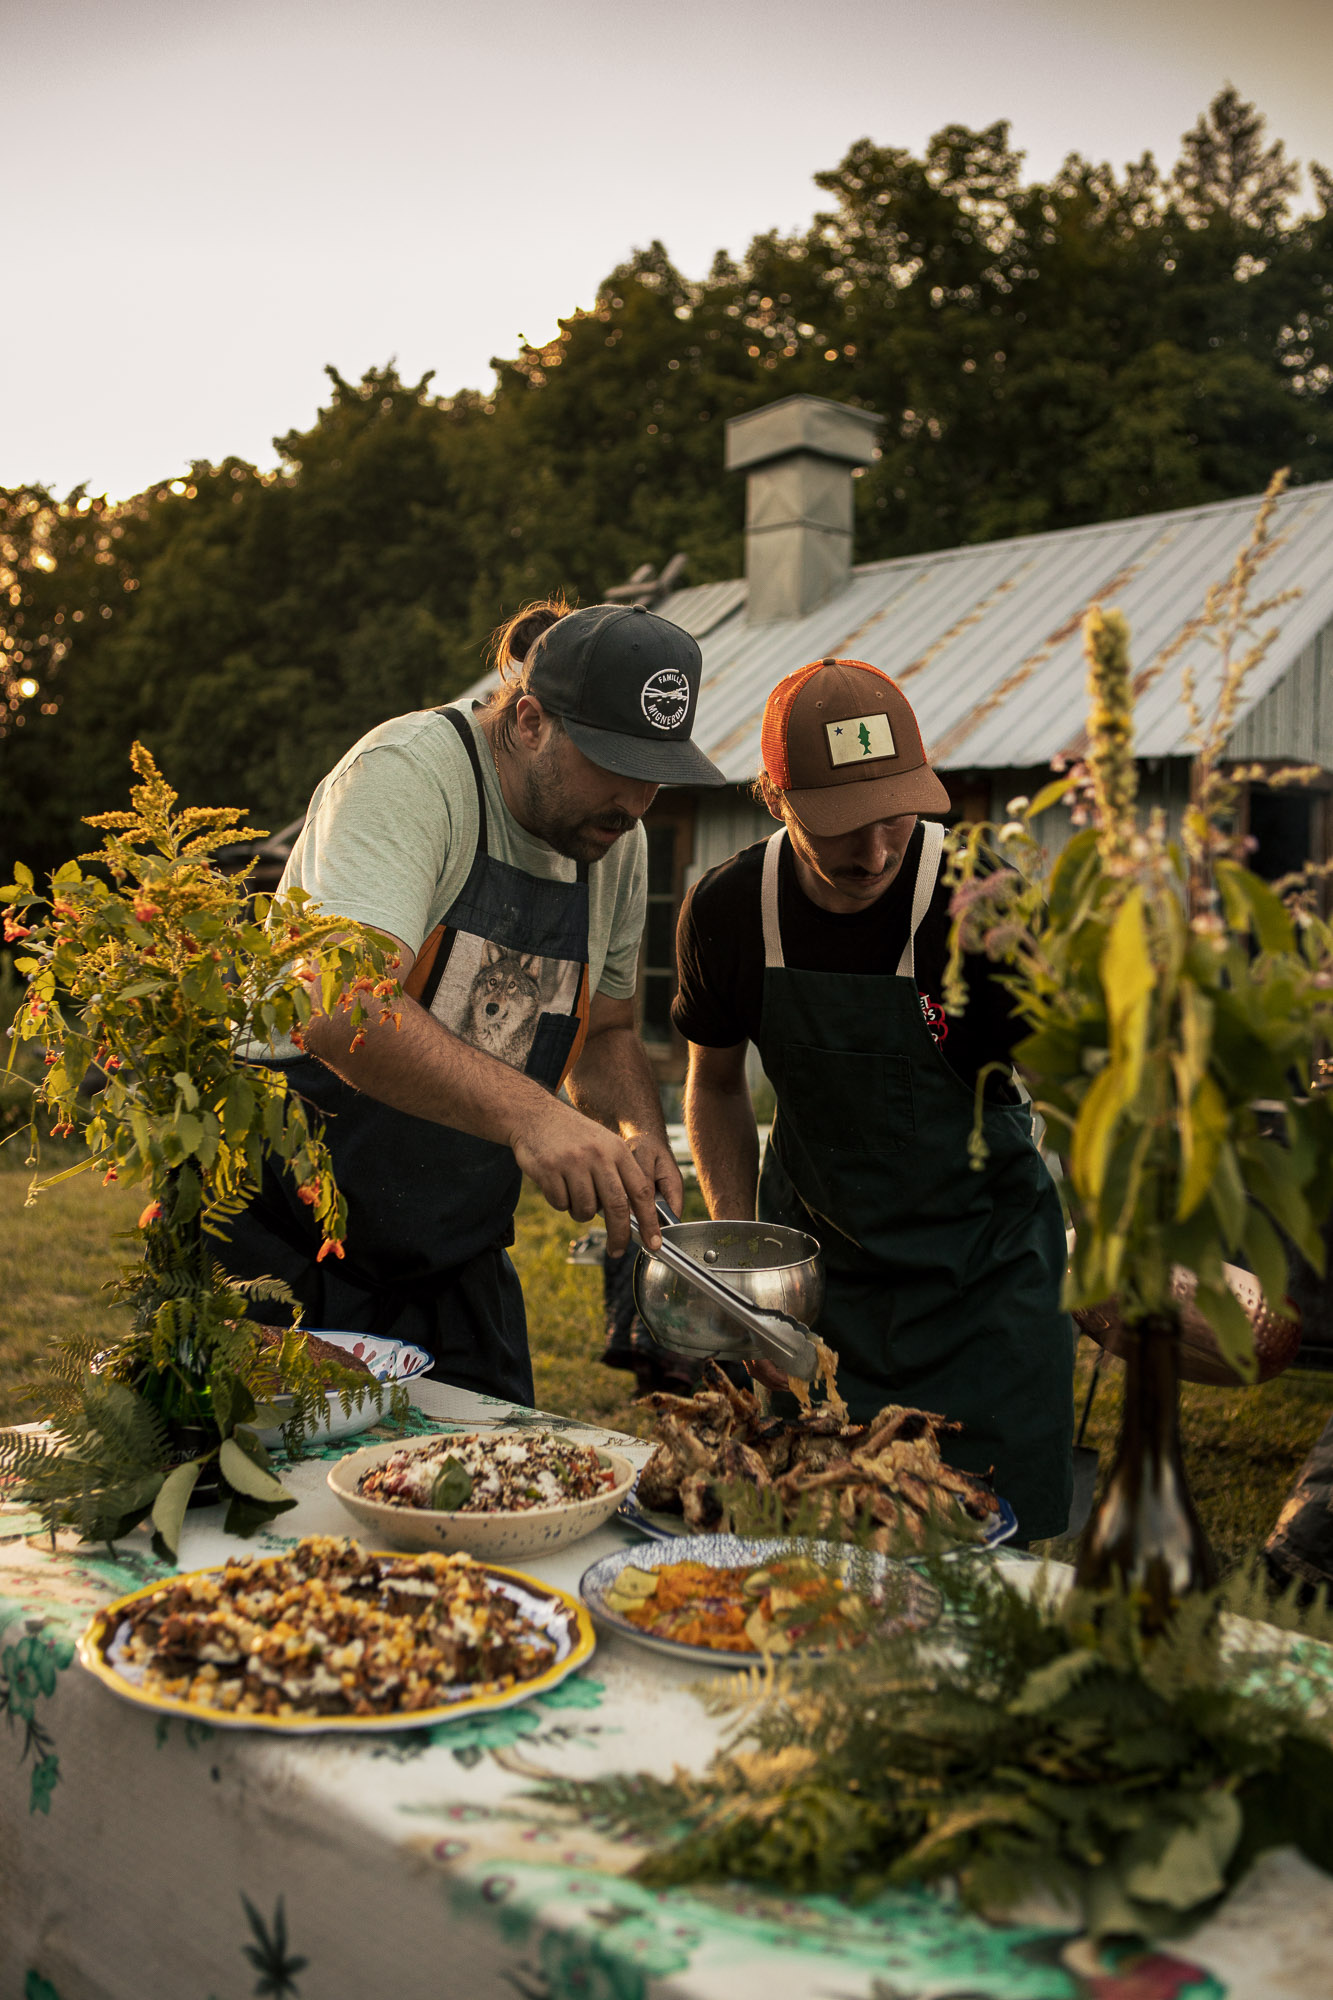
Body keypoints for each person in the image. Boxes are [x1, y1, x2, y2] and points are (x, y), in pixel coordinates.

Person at [223, 600, 726, 1404]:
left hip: (450, 1254)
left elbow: (608, 1032)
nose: (636, 802)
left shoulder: (614, 839)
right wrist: (535, 1117)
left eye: (655, 772)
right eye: (613, 762)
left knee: (493, 1497)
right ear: (529, 722)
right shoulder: (408, 777)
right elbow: (338, 1008)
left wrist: (638, 1133)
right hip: (278, 1243)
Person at [672, 656, 1073, 1540]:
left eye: (896, 811)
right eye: (843, 825)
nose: (877, 850)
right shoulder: (732, 909)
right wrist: (744, 1267)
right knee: (810, 1541)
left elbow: (1074, 1085)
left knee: (994, 1558)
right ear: (774, 798)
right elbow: (715, 1086)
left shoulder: (983, 901)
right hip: (823, 1290)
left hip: (986, 1284)